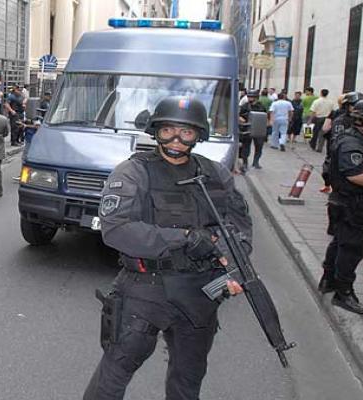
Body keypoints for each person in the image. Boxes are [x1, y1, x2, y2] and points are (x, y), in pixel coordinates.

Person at [84, 95, 250, 400]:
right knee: (113, 375)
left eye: (186, 132)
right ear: (155, 131)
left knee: (189, 379)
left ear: (198, 136)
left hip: (201, 291)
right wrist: (185, 238)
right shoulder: (133, 172)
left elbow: (239, 226)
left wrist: (233, 268)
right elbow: (116, 229)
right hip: (145, 290)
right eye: (168, 131)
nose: (176, 139)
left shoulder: (216, 174)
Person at [319, 99, 363, 315]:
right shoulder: (351, 143)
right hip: (349, 203)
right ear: (360, 120)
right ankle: (343, 293)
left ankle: (328, 281)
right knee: (354, 247)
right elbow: (356, 175)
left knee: (340, 243)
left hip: (353, 203)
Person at [238, 90, 266, 173]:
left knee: (259, 146)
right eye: (249, 96)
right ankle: (245, 163)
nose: (250, 98)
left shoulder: (261, 106)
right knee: (245, 147)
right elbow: (238, 115)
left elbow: (264, 116)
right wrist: (241, 120)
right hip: (247, 128)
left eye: (252, 97)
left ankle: (256, 162)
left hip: (258, 128)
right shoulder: (245, 106)